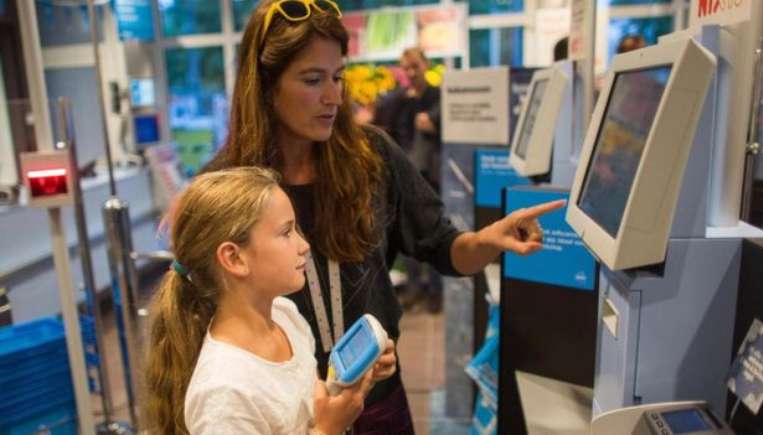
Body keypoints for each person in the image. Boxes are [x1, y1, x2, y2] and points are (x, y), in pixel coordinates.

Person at [203, 1, 565, 432]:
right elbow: (216, 319)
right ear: (265, 86)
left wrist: (490, 239)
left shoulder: (371, 158)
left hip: (378, 405)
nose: (333, 96)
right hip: (290, 417)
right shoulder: (229, 188)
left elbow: (445, 248)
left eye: (337, 76)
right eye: (312, 79)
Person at [143, 167, 397, 434]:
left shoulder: (285, 315)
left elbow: (303, 408)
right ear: (234, 258)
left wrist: (351, 385)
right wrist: (326, 430)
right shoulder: (224, 393)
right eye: (286, 232)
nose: (304, 245)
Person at [372, 47, 444, 312]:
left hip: (431, 177)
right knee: (407, 235)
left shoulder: (437, 96)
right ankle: (415, 289)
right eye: (406, 67)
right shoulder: (398, 100)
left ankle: (435, 291)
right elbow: (383, 126)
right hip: (402, 178)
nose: (411, 72)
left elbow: (434, 124)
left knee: (434, 233)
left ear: (426, 65)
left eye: (415, 66)